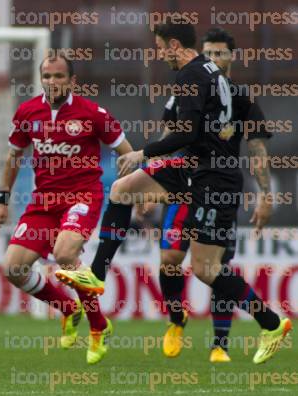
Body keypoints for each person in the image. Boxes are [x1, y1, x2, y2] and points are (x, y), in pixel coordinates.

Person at [56, 19, 291, 364]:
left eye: (160, 47)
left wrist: (143, 153)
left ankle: (270, 324)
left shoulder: (191, 76)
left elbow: (187, 133)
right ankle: (96, 273)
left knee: (205, 267)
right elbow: (187, 130)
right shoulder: (214, 74)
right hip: (193, 167)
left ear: (175, 46)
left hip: (215, 178)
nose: (158, 54)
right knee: (122, 189)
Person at [0, 52, 133, 364]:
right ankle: (68, 308)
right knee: (13, 268)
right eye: (47, 76)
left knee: (66, 255)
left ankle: (99, 327)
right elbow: (14, 157)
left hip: (82, 196)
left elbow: (127, 153)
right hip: (43, 202)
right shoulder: (28, 112)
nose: (52, 82)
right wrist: (2, 201)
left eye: (58, 76)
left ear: (72, 81)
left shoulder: (93, 113)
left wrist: (141, 190)